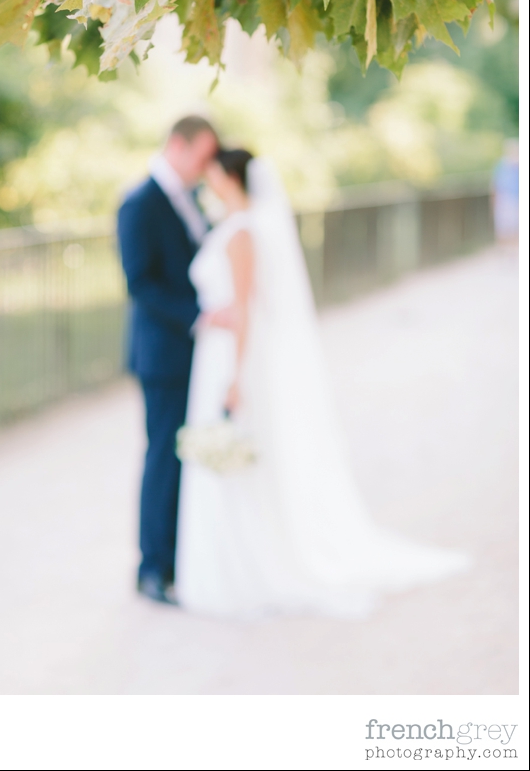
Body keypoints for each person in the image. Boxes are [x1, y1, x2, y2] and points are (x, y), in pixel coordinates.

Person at [175, 150, 470, 618]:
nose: (207, 183)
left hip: (229, 356)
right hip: (214, 351)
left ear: (230, 178)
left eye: (212, 175)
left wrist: (236, 374)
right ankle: (230, 559)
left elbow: (248, 305)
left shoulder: (242, 232)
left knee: (243, 455)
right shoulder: (234, 227)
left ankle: (249, 561)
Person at [117, 116, 219, 604]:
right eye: (202, 157)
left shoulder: (193, 199)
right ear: (178, 146)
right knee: (163, 457)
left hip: (197, 352)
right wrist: (198, 316)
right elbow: (140, 282)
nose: (206, 168)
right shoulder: (138, 203)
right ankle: (152, 567)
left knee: (187, 454)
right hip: (163, 354)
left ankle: (181, 558)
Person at [492, 139, 519, 247]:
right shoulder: (501, 165)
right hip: (505, 199)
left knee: (516, 226)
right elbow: (495, 185)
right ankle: (504, 250)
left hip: (516, 199)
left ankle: (514, 250)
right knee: (503, 227)